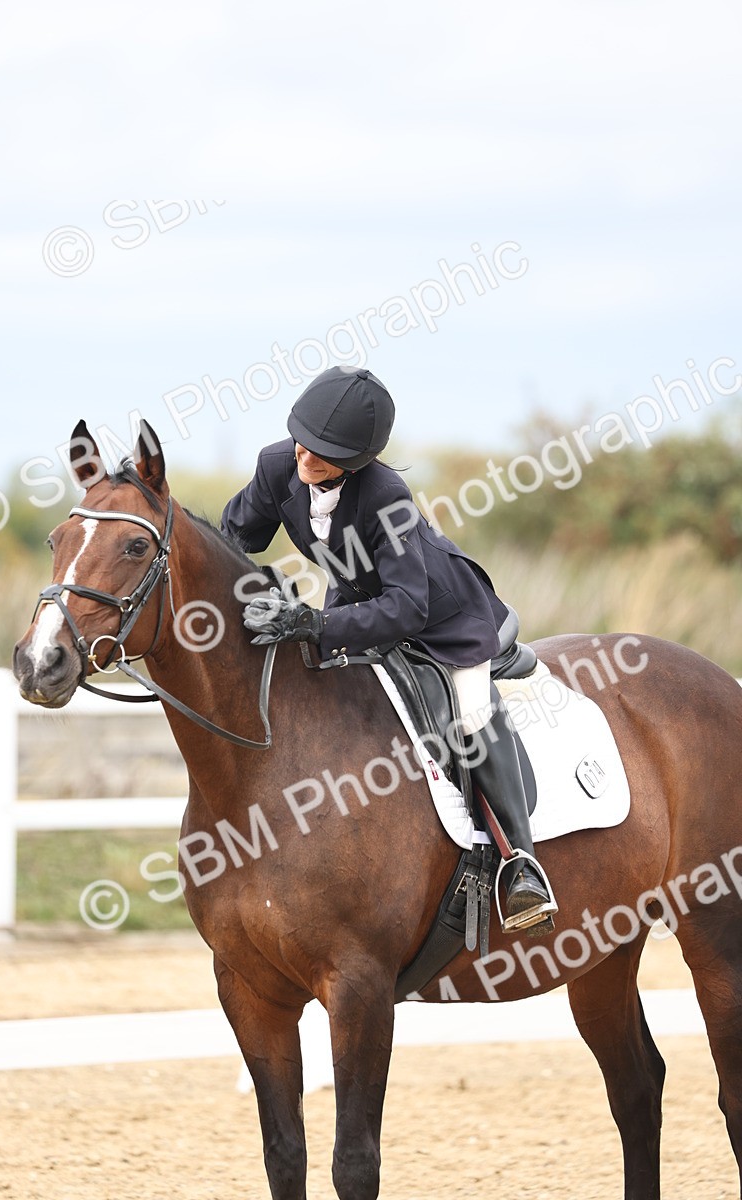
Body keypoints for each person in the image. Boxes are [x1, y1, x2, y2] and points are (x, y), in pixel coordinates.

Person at [221, 365, 557, 936]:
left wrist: (312, 622)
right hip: (353, 605)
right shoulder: (277, 463)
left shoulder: (385, 494)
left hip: (443, 618)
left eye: (324, 455)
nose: (307, 459)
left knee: (471, 710)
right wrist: (251, 595)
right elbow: (235, 538)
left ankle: (520, 864)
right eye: (304, 442)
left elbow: (407, 608)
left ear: (356, 461)